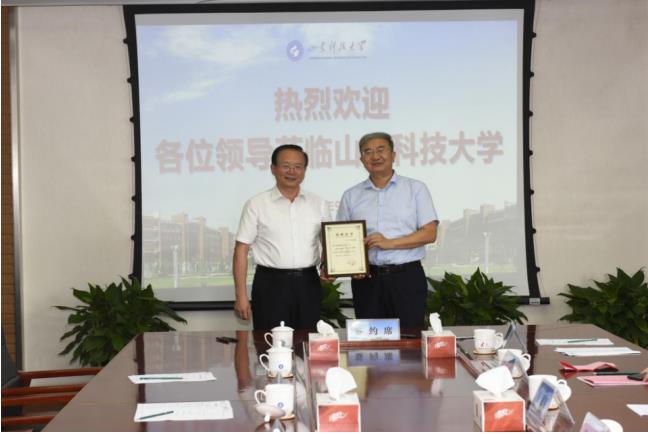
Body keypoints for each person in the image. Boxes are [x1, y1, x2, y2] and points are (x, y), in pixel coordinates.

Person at [336, 132, 439, 328]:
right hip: (367, 281)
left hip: (406, 278)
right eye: (368, 152)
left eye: (381, 150)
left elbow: (429, 233)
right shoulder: (351, 196)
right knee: (371, 338)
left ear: (393, 155)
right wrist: (352, 266)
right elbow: (342, 238)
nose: (375, 156)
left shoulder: (416, 189)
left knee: (409, 337)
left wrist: (389, 243)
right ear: (362, 159)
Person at [233, 144, 329, 330]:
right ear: (273, 169)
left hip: (308, 283)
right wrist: (241, 296)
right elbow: (241, 250)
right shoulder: (256, 204)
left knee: (308, 340)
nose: (292, 172)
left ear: (305, 170)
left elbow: (328, 243)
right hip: (270, 285)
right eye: (286, 166)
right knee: (269, 342)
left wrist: (329, 267)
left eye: (298, 166)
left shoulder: (319, 203)